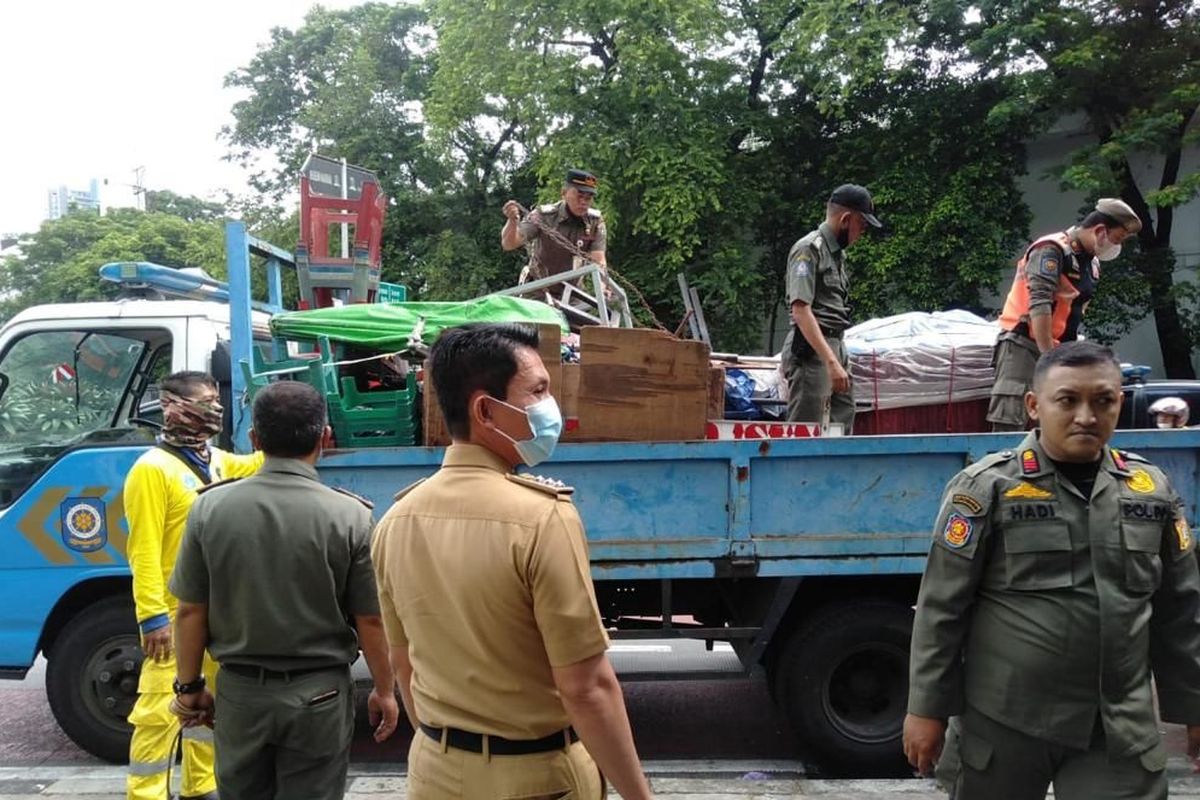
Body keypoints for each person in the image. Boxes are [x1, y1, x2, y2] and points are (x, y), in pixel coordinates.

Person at [904, 341, 1200, 800]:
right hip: (1005, 721)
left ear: (1119, 403)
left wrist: (1194, 707)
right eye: (1067, 400)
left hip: (1116, 726)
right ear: (1034, 405)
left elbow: (1181, 610)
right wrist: (926, 709)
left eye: (1103, 401)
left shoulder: (1151, 491)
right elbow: (942, 607)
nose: (1086, 415)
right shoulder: (987, 489)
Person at [371, 323, 653, 800]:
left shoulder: (395, 520)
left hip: (434, 774)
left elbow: (405, 666)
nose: (551, 407)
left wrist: (449, 748)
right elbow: (586, 688)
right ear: (486, 410)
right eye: (539, 391)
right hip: (535, 779)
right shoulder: (542, 518)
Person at [168, 381, 399, 800]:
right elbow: (370, 619)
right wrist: (384, 690)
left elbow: (190, 612)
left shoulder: (210, 508)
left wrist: (189, 688)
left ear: (255, 440)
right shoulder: (350, 516)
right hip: (321, 696)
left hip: (240, 696)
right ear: (324, 438)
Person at [123, 371, 263, 800]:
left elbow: (255, 465)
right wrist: (152, 619)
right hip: (172, 615)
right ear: (174, 408)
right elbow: (142, 551)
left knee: (208, 709)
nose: (215, 409)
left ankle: (201, 787)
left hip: (213, 613)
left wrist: (294, 439)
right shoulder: (151, 470)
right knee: (160, 714)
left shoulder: (216, 460)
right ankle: (146, 792)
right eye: (205, 402)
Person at [987, 198, 1142, 431]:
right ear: (1099, 231)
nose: (1116, 246)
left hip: (1058, 349)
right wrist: (1049, 355)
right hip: (1023, 344)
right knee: (1012, 417)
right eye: (1116, 239)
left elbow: (1076, 310)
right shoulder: (1051, 250)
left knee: (1057, 419)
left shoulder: (1092, 263)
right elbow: (1039, 303)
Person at [781, 183, 881, 433]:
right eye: (862, 225)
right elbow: (801, 310)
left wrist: (838, 359)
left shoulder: (837, 255)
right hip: (812, 351)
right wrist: (831, 362)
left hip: (836, 344)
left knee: (841, 423)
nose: (863, 232)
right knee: (806, 432)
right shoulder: (808, 249)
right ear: (846, 219)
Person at [502, 168, 608, 283]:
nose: (583, 202)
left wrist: (605, 286)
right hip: (538, 288)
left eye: (588, 198)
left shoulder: (595, 221)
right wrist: (512, 221)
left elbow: (599, 260)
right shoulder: (544, 215)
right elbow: (509, 244)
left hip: (573, 293)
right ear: (564, 193)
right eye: (579, 196)